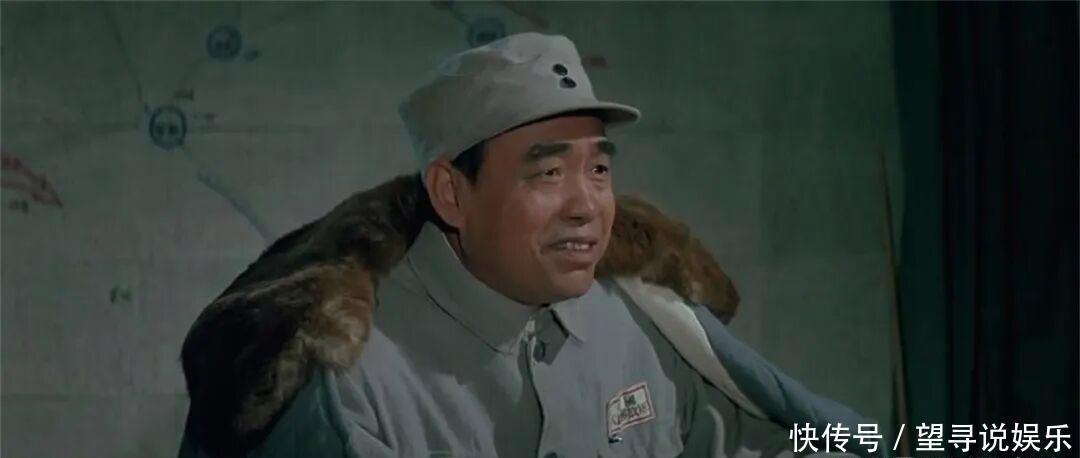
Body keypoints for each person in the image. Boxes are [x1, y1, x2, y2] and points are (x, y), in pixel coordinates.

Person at [179, 33, 876, 458]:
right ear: (452, 193)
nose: (587, 206)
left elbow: (767, 440)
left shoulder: (637, 326)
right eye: (547, 173)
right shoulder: (352, 385)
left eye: (598, 170)